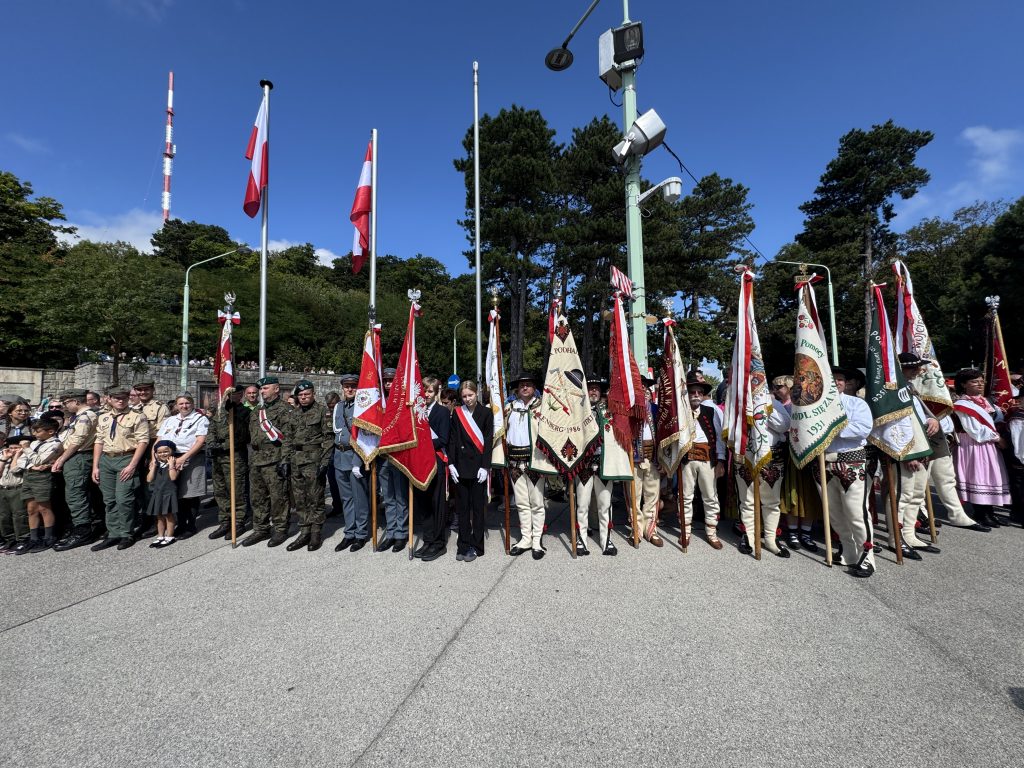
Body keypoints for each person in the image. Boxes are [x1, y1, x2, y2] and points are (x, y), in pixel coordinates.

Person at [814, 367, 875, 578]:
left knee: (856, 512)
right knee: (835, 514)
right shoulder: (814, 407)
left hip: (851, 462)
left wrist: (830, 427)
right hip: (823, 463)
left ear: (845, 383)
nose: (837, 383)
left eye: (840, 379)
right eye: (833, 380)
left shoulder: (857, 404)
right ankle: (848, 551)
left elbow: (862, 429)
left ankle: (867, 555)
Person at [735, 388, 792, 558]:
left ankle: (771, 539)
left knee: (771, 502)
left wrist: (764, 409)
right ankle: (749, 537)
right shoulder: (738, 405)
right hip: (745, 456)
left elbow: (784, 425)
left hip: (772, 458)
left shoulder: (774, 403)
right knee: (747, 501)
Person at [91, 386, 150, 551]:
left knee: (124, 499)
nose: (120, 400)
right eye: (116, 398)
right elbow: (99, 442)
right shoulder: (103, 417)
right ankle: (113, 533)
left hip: (126, 458)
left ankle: (126, 534)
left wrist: (132, 465)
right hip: (106, 460)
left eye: (123, 397)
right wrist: (95, 466)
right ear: (109, 399)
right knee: (109, 500)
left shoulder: (137, 416)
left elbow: (142, 441)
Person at [575, 376, 627, 556]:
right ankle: (581, 539)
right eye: (590, 388)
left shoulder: (610, 412)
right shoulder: (578, 412)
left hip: (604, 464)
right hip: (583, 466)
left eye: (596, 388)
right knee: (582, 504)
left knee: (605, 505)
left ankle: (606, 540)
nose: (593, 391)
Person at [952, 368, 1010, 527]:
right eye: (974, 381)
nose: (979, 384)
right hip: (973, 444)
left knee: (991, 476)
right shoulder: (961, 404)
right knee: (978, 476)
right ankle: (980, 513)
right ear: (964, 384)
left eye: (981, 380)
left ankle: (990, 512)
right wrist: (997, 438)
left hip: (988, 443)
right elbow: (974, 429)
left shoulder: (985, 401)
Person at [241, 376, 294, 548]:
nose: (261, 392)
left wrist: (285, 460)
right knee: (257, 497)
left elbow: (288, 438)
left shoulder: (285, 409)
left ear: (276, 389)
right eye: (261, 389)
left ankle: (280, 528)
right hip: (256, 460)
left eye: (265, 388)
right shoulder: (257, 411)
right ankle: (261, 529)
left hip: (275, 459)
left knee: (278, 497)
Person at [286, 380, 334, 552]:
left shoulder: (322, 412)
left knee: (315, 498)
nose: (304, 397)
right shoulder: (294, 413)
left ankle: (315, 532)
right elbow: (288, 439)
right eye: (301, 395)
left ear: (313, 394)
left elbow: (328, 439)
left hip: (314, 460)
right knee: (299, 498)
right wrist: (286, 460)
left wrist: (324, 461)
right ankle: (304, 530)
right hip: (296, 460)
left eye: (307, 394)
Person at [447, 381, 493, 561]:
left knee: (477, 508)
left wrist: (485, 466)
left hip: (478, 468)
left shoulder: (486, 413)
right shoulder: (458, 414)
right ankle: (463, 544)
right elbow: (452, 439)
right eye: (464, 396)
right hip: (460, 467)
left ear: (477, 393)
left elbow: (488, 441)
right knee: (462, 508)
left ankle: (477, 545)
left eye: (470, 395)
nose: (467, 399)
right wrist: (451, 463)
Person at [50, 389, 100, 551]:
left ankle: (82, 531)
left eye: (66, 403)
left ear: (76, 402)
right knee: (75, 494)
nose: (65, 406)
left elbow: (77, 441)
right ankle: (80, 526)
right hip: (74, 456)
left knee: (76, 494)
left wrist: (62, 458)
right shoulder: (77, 417)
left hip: (79, 457)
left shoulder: (86, 416)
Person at [504, 372, 546, 559]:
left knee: (537, 502)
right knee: (521, 503)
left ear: (534, 387)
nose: (525, 388)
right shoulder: (510, 408)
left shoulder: (544, 406)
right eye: (522, 385)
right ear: (517, 389)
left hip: (535, 460)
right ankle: (525, 538)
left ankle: (537, 539)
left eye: (528, 384)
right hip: (514, 461)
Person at [680, 374, 725, 549]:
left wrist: (720, 460)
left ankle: (712, 533)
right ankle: (686, 531)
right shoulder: (681, 412)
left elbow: (719, 438)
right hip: (686, 459)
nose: (696, 395)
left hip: (707, 459)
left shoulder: (711, 411)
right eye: (693, 392)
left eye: (699, 392)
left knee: (710, 496)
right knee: (685, 496)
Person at [155, 393, 209, 538]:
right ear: (176, 406)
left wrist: (183, 458)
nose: (184, 406)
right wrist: (154, 457)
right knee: (175, 492)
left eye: (187, 403)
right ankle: (180, 524)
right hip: (170, 458)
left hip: (191, 457)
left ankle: (190, 526)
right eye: (181, 404)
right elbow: (159, 439)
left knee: (189, 493)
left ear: (192, 404)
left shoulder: (200, 419)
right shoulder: (170, 420)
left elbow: (200, 441)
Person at [412, 376, 451, 562]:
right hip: (419, 463)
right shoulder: (417, 411)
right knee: (424, 504)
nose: (426, 394)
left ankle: (438, 542)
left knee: (437, 504)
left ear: (436, 393)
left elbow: (443, 439)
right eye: (424, 391)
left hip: (436, 461)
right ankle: (428, 539)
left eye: (429, 391)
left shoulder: (442, 412)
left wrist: (421, 443)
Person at [206, 387, 251, 540]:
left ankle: (239, 521)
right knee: (220, 490)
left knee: (237, 491)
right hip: (218, 458)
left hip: (234, 456)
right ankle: (225, 521)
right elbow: (211, 428)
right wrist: (211, 444)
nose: (233, 396)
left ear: (241, 395)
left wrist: (223, 446)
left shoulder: (245, 412)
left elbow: (242, 436)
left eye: (237, 394)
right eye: (230, 394)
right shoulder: (220, 411)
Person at [333, 373, 370, 552]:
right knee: (346, 499)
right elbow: (336, 434)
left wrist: (358, 461)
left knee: (359, 498)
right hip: (339, 458)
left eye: (353, 386)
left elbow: (364, 438)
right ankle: (350, 532)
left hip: (355, 458)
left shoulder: (362, 408)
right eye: (346, 386)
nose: (349, 389)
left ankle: (361, 534)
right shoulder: (338, 407)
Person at [376, 367, 410, 553]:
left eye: (391, 381)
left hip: (398, 456)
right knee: (388, 497)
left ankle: (401, 533)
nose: (388, 384)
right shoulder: (378, 403)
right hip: (382, 456)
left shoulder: (401, 403)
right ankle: (391, 532)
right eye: (386, 381)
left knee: (400, 496)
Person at [632, 370, 664, 546]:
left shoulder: (657, 410)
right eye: (640, 386)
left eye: (645, 386)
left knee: (652, 495)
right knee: (634, 495)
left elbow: (664, 434)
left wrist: (663, 459)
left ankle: (650, 529)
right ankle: (636, 529)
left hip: (653, 457)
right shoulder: (628, 411)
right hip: (634, 458)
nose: (643, 389)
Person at [0, 436, 31, 553]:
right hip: (3, 488)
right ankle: (10, 538)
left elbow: (15, 470)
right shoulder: (4, 456)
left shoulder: (23, 457)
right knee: (4, 516)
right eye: (11, 448)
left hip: (17, 488)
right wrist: (3, 459)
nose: (13, 450)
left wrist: (17, 455)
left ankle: (23, 539)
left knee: (19, 515)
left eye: (16, 448)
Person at [146, 440, 179, 547]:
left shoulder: (175, 463)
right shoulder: (156, 465)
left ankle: (170, 536)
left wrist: (171, 465)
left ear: (171, 451)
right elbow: (149, 479)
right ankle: (160, 535)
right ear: (156, 454)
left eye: (166, 451)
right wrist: (154, 467)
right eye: (159, 452)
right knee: (159, 516)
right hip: (158, 493)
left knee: (168, 515)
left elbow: (173, 477)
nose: (162, 454)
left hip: (169, 493)